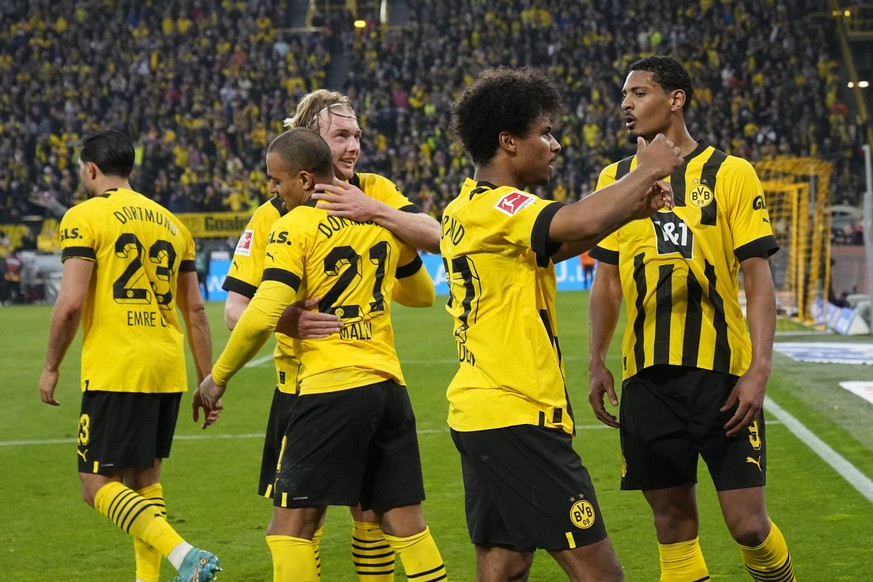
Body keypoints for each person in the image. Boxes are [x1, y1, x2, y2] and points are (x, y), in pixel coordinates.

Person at [441, 66, 683, 581]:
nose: (554, 144)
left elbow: (563, 241)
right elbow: (574, 222)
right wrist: (647, 170)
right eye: (544, 133)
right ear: (508, 142)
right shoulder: (500, 204)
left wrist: (630, 211)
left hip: (482, 411)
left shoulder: (468, 207)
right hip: (517, 413)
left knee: (504, 564)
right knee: (602, 575)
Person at [199, 127, 446, 582]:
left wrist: (217, 378)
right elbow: (423, 292)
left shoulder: (293, 225)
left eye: (278, 181)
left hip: (328, 388)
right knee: (405, 524)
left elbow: (256, 316)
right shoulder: (378, 218)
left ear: (307, 180)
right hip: (388, 386)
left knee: (289, 528)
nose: (274, 191)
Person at [587, 55, 795, 582]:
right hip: (645, 380)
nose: (625, 105)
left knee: (747, 525)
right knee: (672, 524)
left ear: (675, 99)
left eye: (638, 93)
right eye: (624, 95)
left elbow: (757, 274)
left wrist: (760, 368)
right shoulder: (614, 179)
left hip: (723, 376)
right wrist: (596, 360)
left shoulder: (730, 172)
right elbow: (606, 280)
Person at [37, 130, 222, 582]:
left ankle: (184, 556)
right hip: (166, 365)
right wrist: (208, 378)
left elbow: (71, 303)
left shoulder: (84, 217)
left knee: (95, 484)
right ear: (131, 169)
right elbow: (195, 309)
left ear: (91, 169)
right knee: (145, 479)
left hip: (117, 365)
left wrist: (51, 366)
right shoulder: (174, 225)